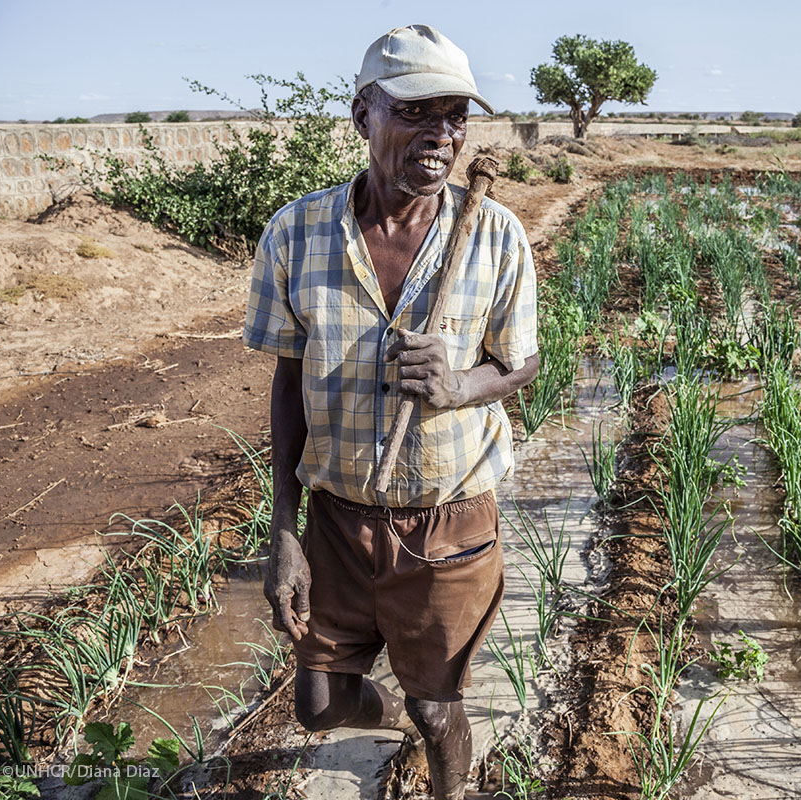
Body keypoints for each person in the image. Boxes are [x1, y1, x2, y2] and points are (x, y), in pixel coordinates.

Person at [241, 24, 539, 800]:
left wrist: (461, 387)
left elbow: (523, 362)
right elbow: (287, 383)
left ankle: (445, 780)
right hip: (337, 522)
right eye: (417, 113)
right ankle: (395, 722)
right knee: (317, 705)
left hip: (447, 521)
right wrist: (284, 533)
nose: (442, 136)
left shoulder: (496, 236)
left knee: (439, 709)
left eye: (456, 117)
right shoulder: (297, 232)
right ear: (362, 115)